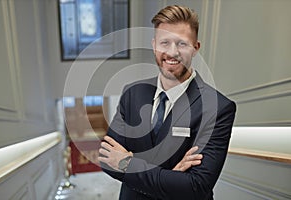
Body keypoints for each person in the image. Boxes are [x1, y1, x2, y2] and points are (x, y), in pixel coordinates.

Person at [98, 5, 236, 200]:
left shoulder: (218, 108)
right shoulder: (132, 93)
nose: (172, 52)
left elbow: (196, 186)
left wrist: (127, 163)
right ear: (154, 45)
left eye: (182, 44)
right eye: (165, 43)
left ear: (195, 48)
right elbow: (105, 158)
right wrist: (171, 175)